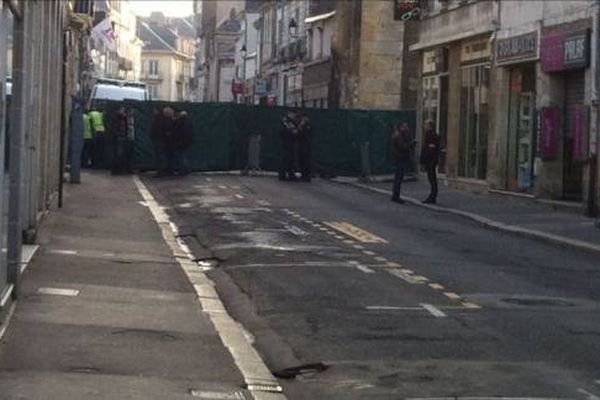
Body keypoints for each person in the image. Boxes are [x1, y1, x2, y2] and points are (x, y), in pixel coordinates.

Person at [391, 122, 415, 203]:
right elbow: (402, 147)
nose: (407, 128)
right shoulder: (399, 136)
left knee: (398, 178)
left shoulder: (400, 135)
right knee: (398, 178)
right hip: (400, 158)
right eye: (405, 126)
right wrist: (411, 144)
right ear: (401, 127)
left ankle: (395, 195)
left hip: (399, 158)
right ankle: (396, 196)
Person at [420, 119, 440, 204]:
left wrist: (424, 159)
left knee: (432, 178)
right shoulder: (430, 134)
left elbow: (430, 148)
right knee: (431, 178)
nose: (424, 126)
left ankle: (433, 196)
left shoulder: (431, 135)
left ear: (429, 126)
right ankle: (432, 195)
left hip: (431, 160)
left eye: (426, 125)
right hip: (431, 160)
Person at [279, 109, 299, 181]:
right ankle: (284, 175)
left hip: (290, 142)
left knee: (290, 160)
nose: (294, 116)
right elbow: (289, 131)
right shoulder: (286, 122)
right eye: (293, 114)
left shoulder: (290, 122)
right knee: (286, 160)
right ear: (289, 114)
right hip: (287, 143)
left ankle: (289, 175)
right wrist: (293, 132)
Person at [110, 105, 129, 175]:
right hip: (119, 138)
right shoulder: (117, 118)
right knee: (119, 154)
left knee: (120, 154)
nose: (123, 111)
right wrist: (119, 135)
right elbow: (115, 128)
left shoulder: (122, 118)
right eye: (122, 110)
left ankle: (118, 169)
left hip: (121, 137)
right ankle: (116, 170)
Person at [173, 110, 193, 175]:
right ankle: (185, 169)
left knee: (181, 157)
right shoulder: (189, 122)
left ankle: (183, 170)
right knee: (184, 156)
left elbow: (177, 132)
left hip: (180, 142)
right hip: (187, 142)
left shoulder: (180, 122)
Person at [297, 113, 313, 182]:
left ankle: (307, 176)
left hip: (306, 144)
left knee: (306, 161)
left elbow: (308, 133)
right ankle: (303, 174)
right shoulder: (301, 124)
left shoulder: (308, 125)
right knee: (301, 160)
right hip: (302, 143)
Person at [162, 106, 176, 175]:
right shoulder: (173, 121)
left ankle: (169, 169)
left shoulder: (167, 121)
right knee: (170, 157)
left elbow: (167, 131)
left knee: (169, 157)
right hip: (172, 141)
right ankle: (170, 169)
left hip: (168, 142)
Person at [151, 107, 165, 176]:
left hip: (158, 140)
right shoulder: (159, 119)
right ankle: (160, 170)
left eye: (155, 110)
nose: (154, 111)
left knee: (159, 156)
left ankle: (160, 171)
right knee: (159, 156)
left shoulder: (158, 119)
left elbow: (157, 130)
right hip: (158, 139)